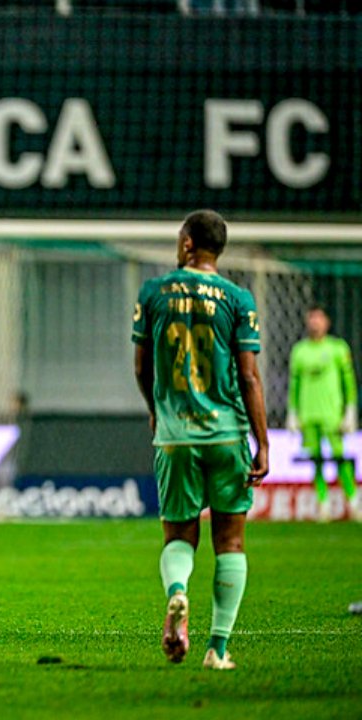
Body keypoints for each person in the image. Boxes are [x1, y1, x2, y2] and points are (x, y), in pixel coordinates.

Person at [132, 209, 268, 671]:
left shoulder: (154, 292)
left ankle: (177, 594)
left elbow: (140, 367)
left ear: (189, 244)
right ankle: (219, 649)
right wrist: (263, 442)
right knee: (230, 541)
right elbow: (249, 377)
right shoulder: (237, 298)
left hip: (173, 436)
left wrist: (157, 410)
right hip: (226, 433)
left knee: (179, 536)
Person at [286, 305, 358, 522]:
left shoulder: (338, 348)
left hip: (332, 415)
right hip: (309, 415)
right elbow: (294, 384)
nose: (315, 323)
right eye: (312, 318)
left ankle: (353, 502)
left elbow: (348, 381)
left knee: (340, 459)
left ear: (327, 322)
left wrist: (350, 410)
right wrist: (292, 412)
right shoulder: (300, 351)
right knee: (315, 461)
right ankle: (323, 505)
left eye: (319, 318)